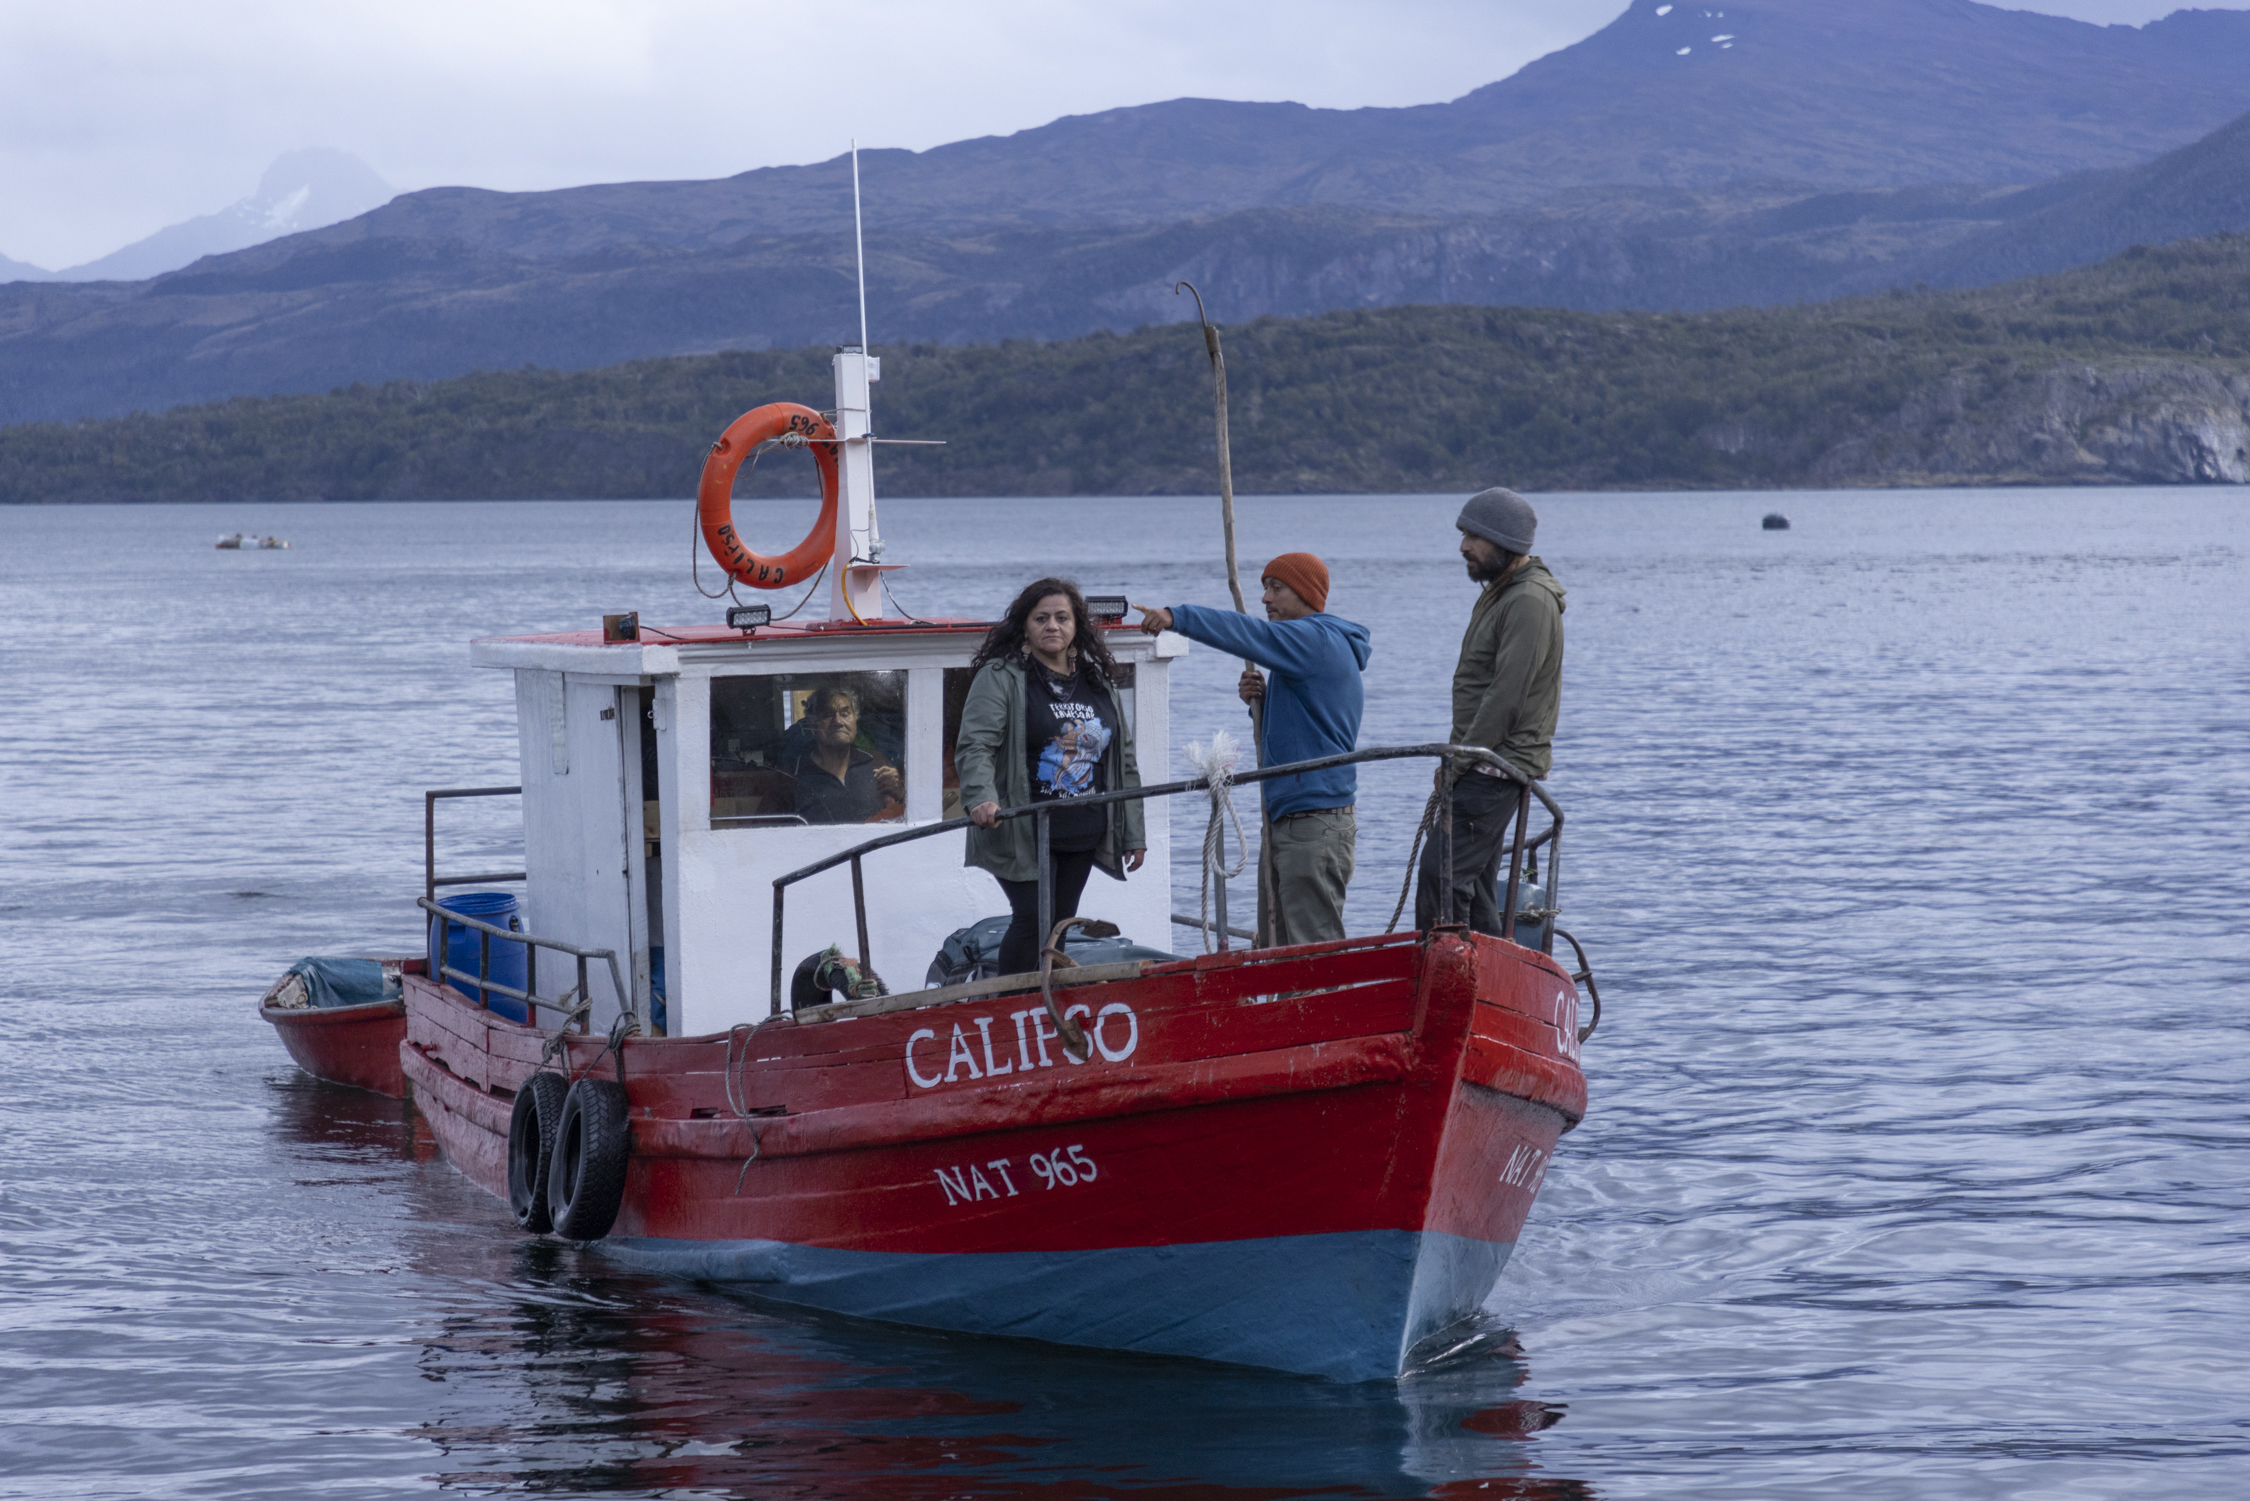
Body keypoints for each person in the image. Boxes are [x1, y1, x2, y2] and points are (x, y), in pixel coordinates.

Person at [1137, 552, 1371, 946]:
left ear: (1306, 593)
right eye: (1263, 588)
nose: (1265, 599)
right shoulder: (1303, 648)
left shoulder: (1313, 638)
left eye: (1276, 588)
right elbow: (1303, 731)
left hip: (1313, 823)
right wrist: (1260, 706)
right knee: (1276, 946)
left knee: (1307, 950)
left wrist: (1179, 617)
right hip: (1291, 819)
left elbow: (1247, 633)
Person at [956, 578, 1147, 976]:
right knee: (1032, 920)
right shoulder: (1002, 676)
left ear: (1077, 626)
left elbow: (1123, 759)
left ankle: (1043, 1008)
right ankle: (1008, 1008)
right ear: (1024, 626)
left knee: (1059, 924)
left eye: (1062, 618)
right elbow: (975, 746)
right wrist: (980, 798)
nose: (1052, 626)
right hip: (1022, 829)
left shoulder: (1098, 682)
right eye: (1041, 618)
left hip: (1082, 829)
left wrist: (1133, 833)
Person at [1415, 487, 1566, 935]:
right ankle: (1488, 984)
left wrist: (1458, 761)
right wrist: (1459, 759)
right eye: (1464, 534)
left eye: (1474, 536)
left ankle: (1447, 980)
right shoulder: (1501, 592)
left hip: (1495, 766)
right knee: (1475, 884)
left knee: (1442, 876)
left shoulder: (1528, 601)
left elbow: (1506, 697)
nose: (1463, 546)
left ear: (1506, 542)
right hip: (1481, 761)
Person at [787, 684, 904, 824]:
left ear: (855, 722)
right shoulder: (792, 775)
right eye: (827, 715)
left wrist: (901, 794)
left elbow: (904, 818)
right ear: (813, 725)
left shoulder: (877, 762)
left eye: (845, 714)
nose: (838, 722)